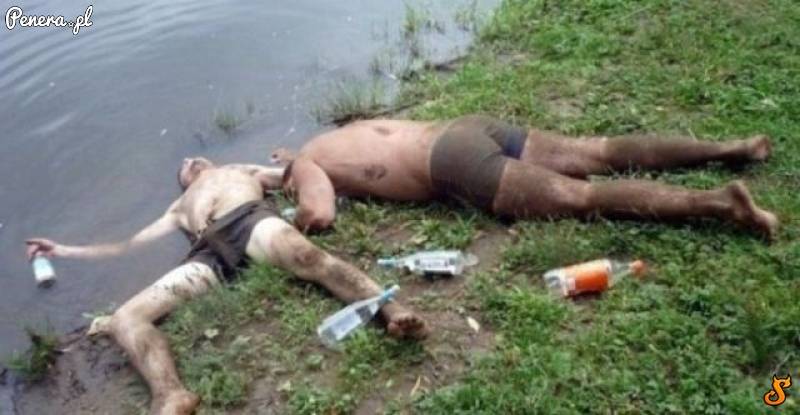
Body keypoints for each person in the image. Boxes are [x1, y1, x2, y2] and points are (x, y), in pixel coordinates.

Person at [25, 158, 428, 415]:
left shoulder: (242, 170)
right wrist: (62, 249)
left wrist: (302, 169)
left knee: (309, 258)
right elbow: (126, 247)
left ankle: (391, 309)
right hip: (207, 253)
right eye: (183, 166)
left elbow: (300, 173)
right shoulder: (177, 208)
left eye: (194, 158)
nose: (189, 160)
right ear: (183, 182)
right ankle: (170, 395)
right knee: (125, 318)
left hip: (250, 220)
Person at [274, 115, 778, 239]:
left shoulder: (307, 160)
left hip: (448, 163)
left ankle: (719, 203)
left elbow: (319, 211)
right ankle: (732, 147)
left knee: (583, 197)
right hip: (465, 127)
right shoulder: (346, 131)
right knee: (597, 151)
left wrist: (295, 204)